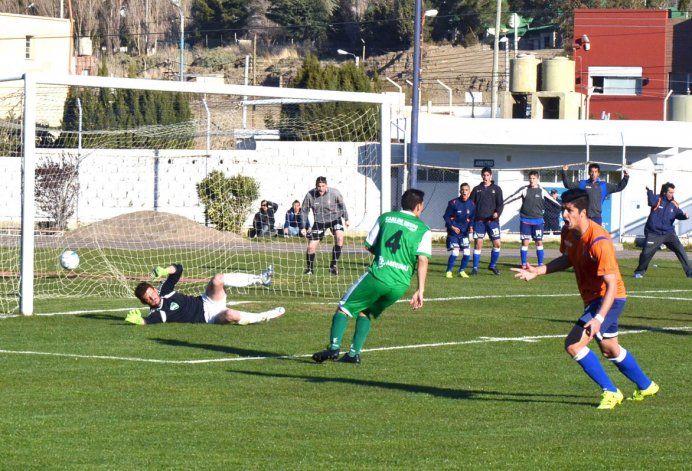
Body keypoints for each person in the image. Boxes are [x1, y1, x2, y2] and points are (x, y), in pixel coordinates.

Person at [512, 189, 659, 410]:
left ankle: (611, 392)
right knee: (610, 348)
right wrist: (539, 271)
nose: (564, 215)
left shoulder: (600, 240)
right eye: (563, 210)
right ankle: (646, 386)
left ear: (582, 212)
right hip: (593, 299)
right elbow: (567, 259)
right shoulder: (569, 233)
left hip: (609, 298)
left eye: (569, 211)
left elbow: (610, 286)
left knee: (573, 344)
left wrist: (599, 318)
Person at [312, 189, 431, 364]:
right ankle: (353, 354)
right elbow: (422, 260)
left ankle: (334, 348)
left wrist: (384, 254)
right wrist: (420, 290)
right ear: (419, 206)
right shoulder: (424, 229)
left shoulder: (386, 218)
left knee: (344, 308)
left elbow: (368, 245)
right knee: (365, 311)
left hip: (378, 275)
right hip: (400, 286)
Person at [126, 263, 284, 325]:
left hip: (206, 300)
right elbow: (150, 321)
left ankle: (261, 278)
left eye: (151, 293)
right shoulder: (158, 312)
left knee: (217, 279)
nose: (152, 298)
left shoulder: (164, 291)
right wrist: (140, 321)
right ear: (145, 302)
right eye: (148, 298)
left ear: (154, 289)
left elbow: (179, 269)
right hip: (209, 318)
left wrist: (165, 270)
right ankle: (265, 316)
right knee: (230, 314)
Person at [503, 171, 561, 268]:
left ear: (538, 179)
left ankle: (540, 264)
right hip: (525, 220)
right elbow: (512, 197)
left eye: (534, 178)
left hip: (538, 221)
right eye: (530, 178)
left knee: (539, 242)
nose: (531, 180)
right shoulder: (524, 189)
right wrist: (501, 204)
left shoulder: (542, 190)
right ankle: (524, 264)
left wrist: (565, 207)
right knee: (525, 242)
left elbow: (553, 201)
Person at [634, 182, 691, 279]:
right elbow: (651, 202)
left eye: (673, 192)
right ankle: (639, 272)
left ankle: (690, 273)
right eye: (670, 192)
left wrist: (684, 216)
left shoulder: (674, 204)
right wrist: (650, 191)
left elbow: (678, 214)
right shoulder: (657, 199)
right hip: (654, 233)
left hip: (669, 234)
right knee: (646, 254)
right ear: (664, 192)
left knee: (681, 251)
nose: (672, 194)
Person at [300, 176, 350, 275]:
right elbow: (304, 211)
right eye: (319, 186)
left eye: (323, 186)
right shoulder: (310, 195)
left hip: (335, 219)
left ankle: (333, 265)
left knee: (340, 238)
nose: (321, 188)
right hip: (319, 222)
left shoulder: (335, 193)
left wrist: (346, 218)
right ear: (316, 186)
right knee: (311, 247)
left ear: (326, 185)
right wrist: (303, 227)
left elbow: (342, 205)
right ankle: (310, 269)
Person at [561, 163, 629, 225]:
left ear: (598, 173)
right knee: (583, 238)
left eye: (595, 172)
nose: (593, 174)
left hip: (597, 217)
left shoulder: (603, 185)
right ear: (589, 173)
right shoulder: (582, 184)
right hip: (583, 217)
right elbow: (568, 185)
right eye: (592, 171)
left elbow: (619, 187)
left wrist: (626, 177)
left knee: (595, 238)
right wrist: (564, 171)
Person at [470, 167, 504, 275]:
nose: (485, 177)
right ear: (481, 176)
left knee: (497, 244)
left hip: (492, 222)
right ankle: (475, 268)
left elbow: (500, 205)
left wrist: (497, 213)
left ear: (491, 176)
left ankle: (492, 265)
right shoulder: (476, 189)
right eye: (484, 175)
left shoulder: (497, 189)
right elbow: (471, 205)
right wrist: (471, 221)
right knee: (478, 243)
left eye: (487, 175)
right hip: (479, 221)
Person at [442, 182, 475, 278]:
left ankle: (462, 271)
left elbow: (472, 218)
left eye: (466, 190)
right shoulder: (453, 203)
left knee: (467, 252)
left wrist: (471, 227)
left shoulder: (472, 204)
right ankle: (449, 271)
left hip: (464, 233)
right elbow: (446, 217)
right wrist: (452, 227)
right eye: (463, 190)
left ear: (469, 192)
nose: (464, 192)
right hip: (453, 232)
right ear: (460, 191)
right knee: (455, 251)